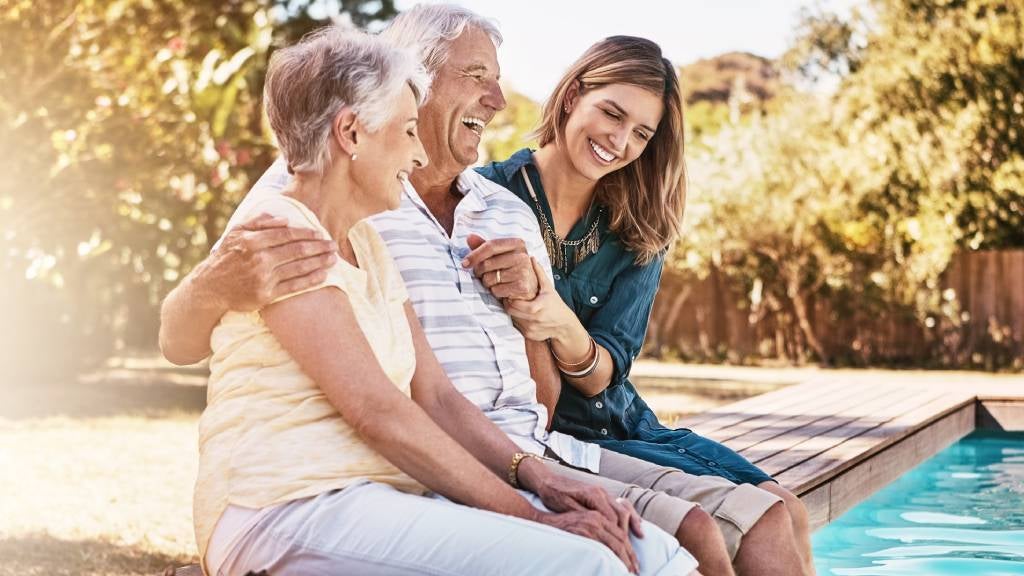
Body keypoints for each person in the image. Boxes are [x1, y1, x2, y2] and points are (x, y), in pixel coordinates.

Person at [162, 5, 807, 575]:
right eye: (478, 77)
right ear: (378, 111)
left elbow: (447, 395)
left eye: (642, 133)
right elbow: (380, 410)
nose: (498, 100)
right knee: (602, 558)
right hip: (301, 496)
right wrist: (536, 511)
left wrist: (537, 471)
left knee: (670, 550)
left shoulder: (403, 230)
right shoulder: (306, 207)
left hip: (456, 462)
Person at [472, 35, 815, 574]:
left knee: (789, 509)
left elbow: (605, 374)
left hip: (626, 422)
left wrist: (558, 321)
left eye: (641, 133)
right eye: (611, 113)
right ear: (571, 97)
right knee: (765, 520)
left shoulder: (637, 226)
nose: (619, 141)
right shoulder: (485, 199)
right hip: (554, 436)